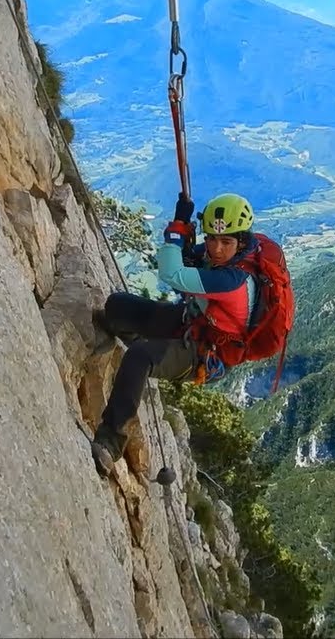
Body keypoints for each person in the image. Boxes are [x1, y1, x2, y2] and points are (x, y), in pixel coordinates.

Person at [89, 191, 259, 476]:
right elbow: (184, 258)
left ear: (241, 242)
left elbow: (171, 273)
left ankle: (110, 442)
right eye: (212, 239)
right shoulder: (220, 258)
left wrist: (178, 230)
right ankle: (149, 357)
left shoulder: (231, 280)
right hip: (191, 322)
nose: (216, 248)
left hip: (204, 353)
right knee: (116, 307)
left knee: (139, 356)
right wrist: (183, 229)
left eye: (226, 242)